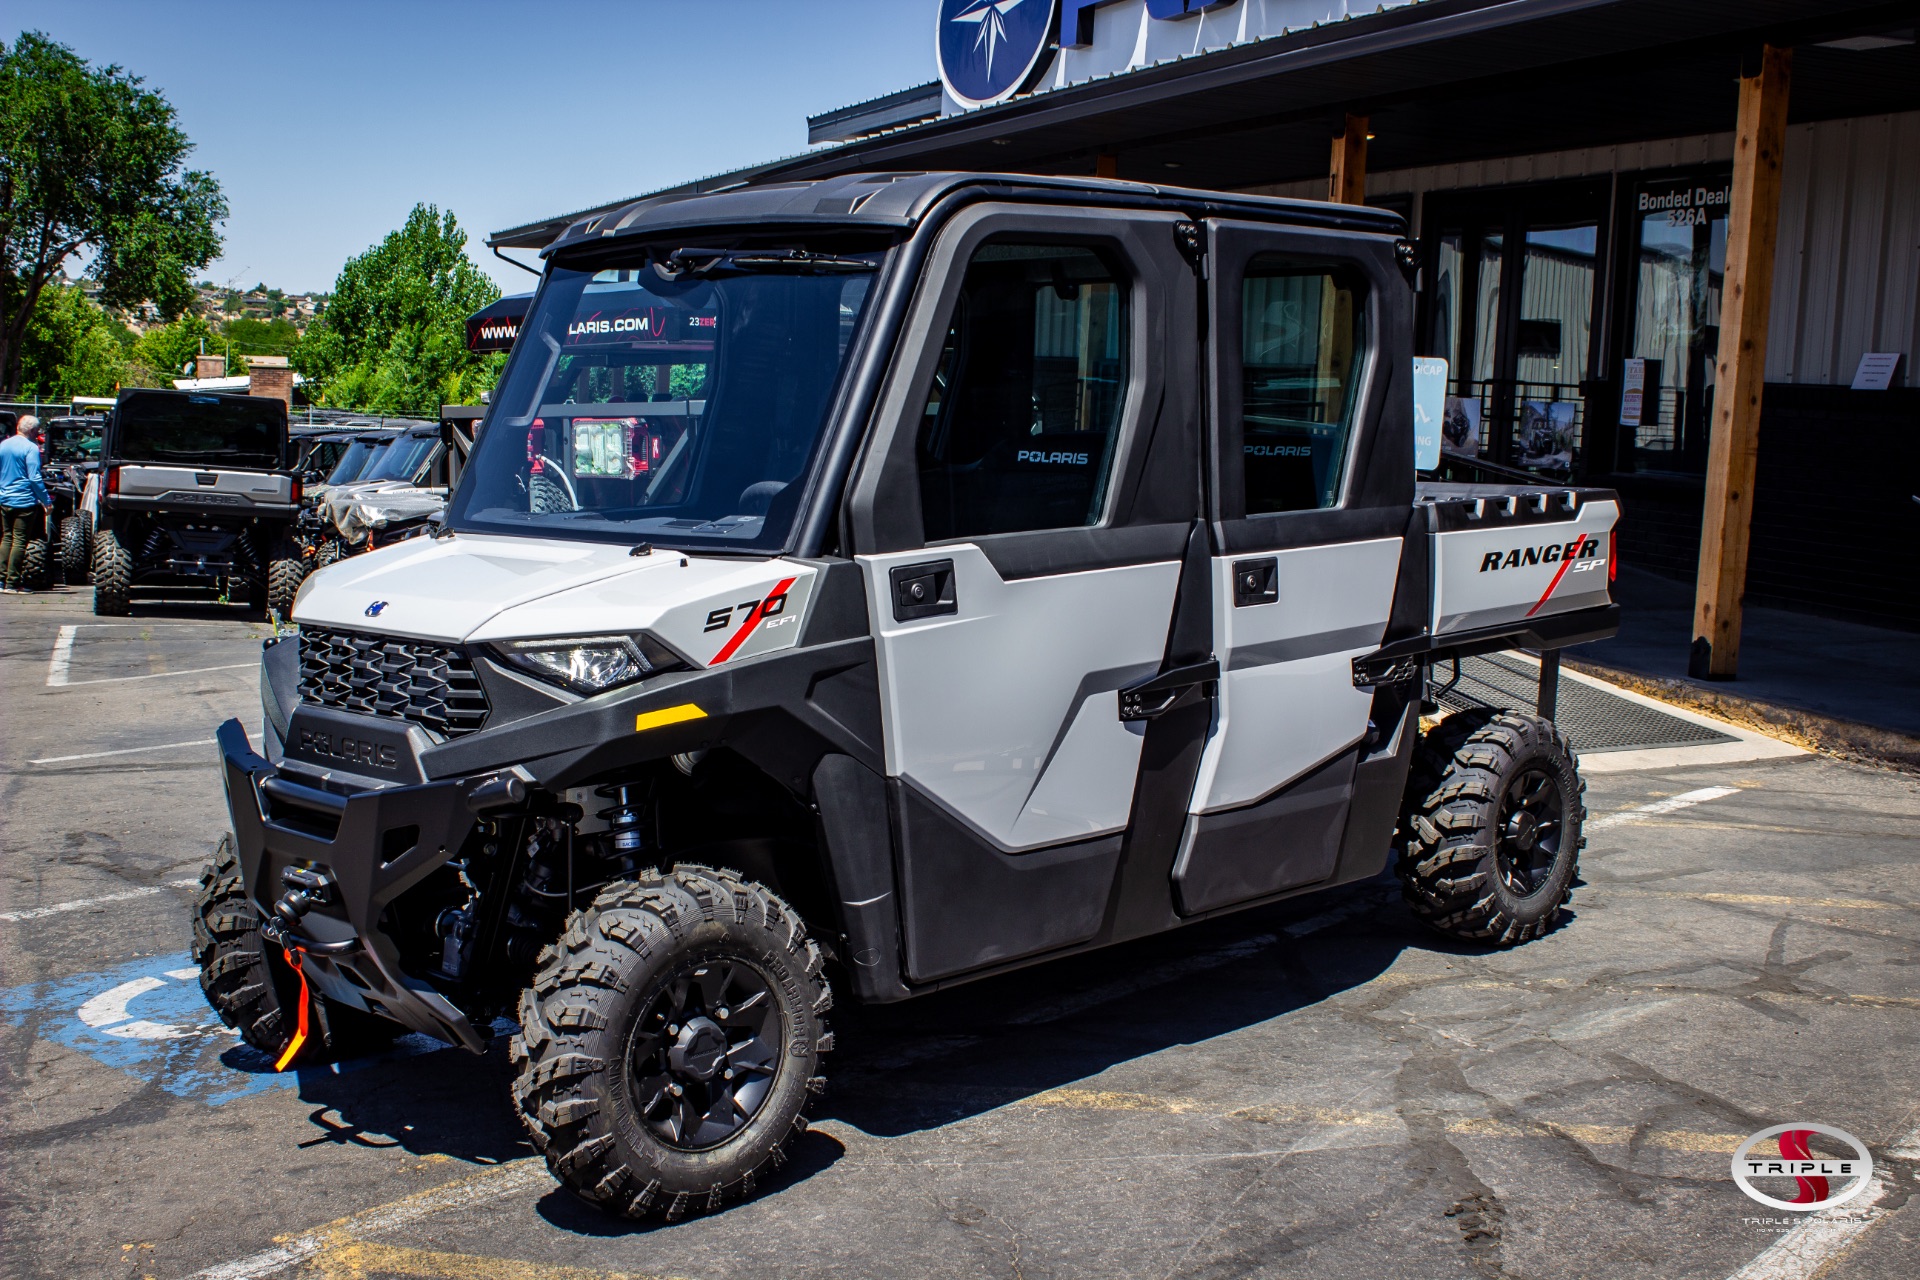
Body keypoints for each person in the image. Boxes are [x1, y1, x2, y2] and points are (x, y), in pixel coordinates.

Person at [0, 414, 52, 593]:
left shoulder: (4, 444)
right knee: (20, 541)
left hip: (4, 499)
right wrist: (46, 501)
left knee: (7, 537)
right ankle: (12, 583)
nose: (38, 434)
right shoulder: (31, 448)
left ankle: (0, 580)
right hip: (24, 501)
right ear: (31, 430)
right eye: (37, 431)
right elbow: (35, 478)